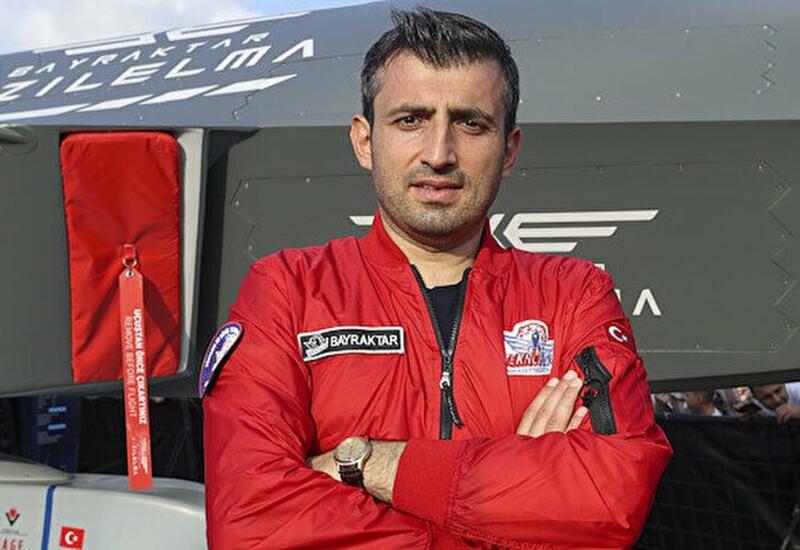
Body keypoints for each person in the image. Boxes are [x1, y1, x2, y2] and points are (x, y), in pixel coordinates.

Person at [203, 8, 672, 549]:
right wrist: (516, 507)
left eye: (471, 123)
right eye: (411, 120)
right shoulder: (289, 290)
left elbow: (611, 495)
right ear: (364, 140)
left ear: (509, 149)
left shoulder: (573, 293)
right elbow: (252, 522)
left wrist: (365, 462)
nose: (439, 154)